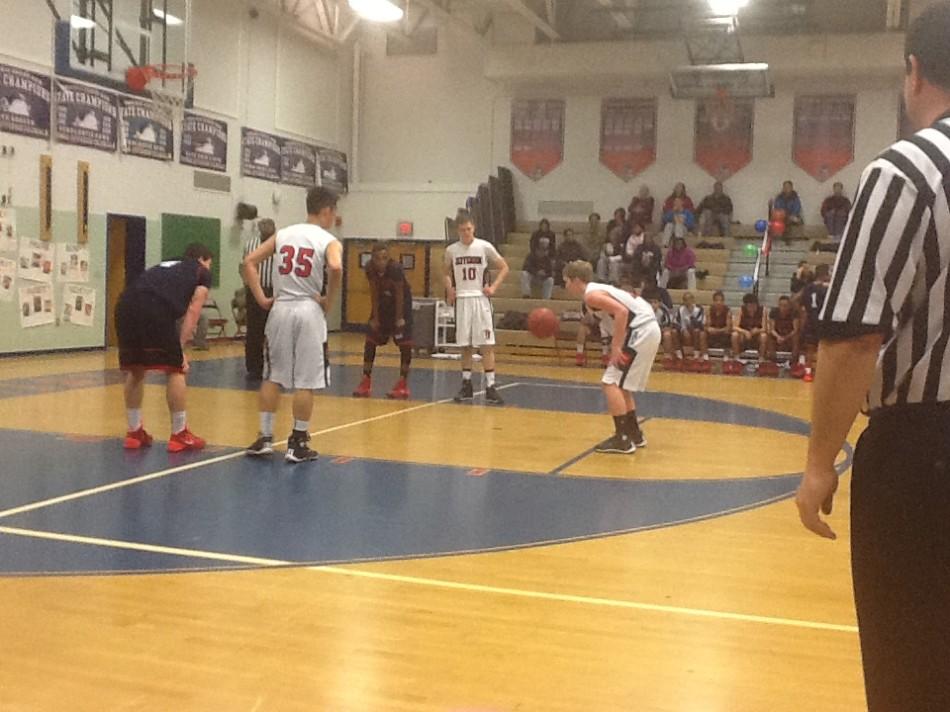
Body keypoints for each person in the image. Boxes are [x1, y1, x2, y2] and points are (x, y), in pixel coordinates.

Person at [797, 7, 950, 709]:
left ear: (912, 72)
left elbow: (855, 334)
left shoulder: (905, 170)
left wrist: (818, 462)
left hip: (925, 457)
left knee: (911, 668)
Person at [244, 186, 343, 463]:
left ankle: (264, 437)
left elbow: (249, 262)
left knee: (272, 375)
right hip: (308, 310)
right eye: (334, 212)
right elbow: (336, 267)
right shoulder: (328, 239)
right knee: (306, 380)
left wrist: (261, 297)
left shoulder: (284, 233)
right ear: (326, 211)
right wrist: (328, 300)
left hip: (280, 308)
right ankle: (297, 441)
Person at [116, 243, 212, 452]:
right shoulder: (201, 272)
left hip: (125, 305)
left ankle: (134, 432)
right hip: (154, 308)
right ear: (203, 259)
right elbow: (194, 310)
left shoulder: (165, 265)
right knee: (175, 370)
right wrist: (180, 349)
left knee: (136, 368)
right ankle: (179, 434)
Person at [564, 260, 660, 454]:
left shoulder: (591, 295)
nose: (564, 285)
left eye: (566, 281)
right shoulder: (599, 290)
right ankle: (634, 433)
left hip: (639, 331)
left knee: (610, 383)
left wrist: (616, 347)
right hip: (647, 330)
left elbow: (622, 312)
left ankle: (622, 439)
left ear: (575, 280)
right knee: (622, 385)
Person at [444, 210, 510, 405]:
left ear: (474, 228)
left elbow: (504, 267)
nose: (466, 233)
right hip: (462, 300)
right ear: (458, 230)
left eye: (469, 229)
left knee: (486, 345)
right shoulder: (451, 250)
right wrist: (450, 289)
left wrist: (494, 287)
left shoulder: (484, 246)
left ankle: (490, 386)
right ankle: (466, 385)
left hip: (481, 299)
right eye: (463, 230)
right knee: (465, 345)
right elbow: (445, 271)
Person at [352, 242, 413, 400]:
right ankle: (366, 379)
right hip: (383, 304)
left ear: (389, 258)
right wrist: (376, 318)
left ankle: (403, 382)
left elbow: (400, 294)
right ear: (372, 259)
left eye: (385, 258)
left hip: (401, 305)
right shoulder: (369, 268)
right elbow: (374, 291)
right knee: (371, 339)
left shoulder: (395, 269)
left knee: (405, 343)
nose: (381, 262)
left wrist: (399, 318)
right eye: (378, 258)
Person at [240, 218, 276, 380]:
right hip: (254, 290)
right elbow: (244, 266)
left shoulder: (281, 244)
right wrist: (248, 284)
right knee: (254, 330)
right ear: (260, 231)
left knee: (276, 331)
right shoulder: (251, 244)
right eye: (264, 232)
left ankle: (276, 365)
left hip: (274, 290)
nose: (267, 234)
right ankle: (254, 367)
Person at [797, 263, 830, 382]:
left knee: (809, 349)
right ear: (825, 274)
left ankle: (808, 373)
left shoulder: (808, 288)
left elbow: (797, 301)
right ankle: (823, 374)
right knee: (824, 348)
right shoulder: (827, 288)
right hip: (823, 321)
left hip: (810, 320)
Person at [644, 286, 681, 368]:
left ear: (659, 303)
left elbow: (667, 325)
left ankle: (668, 356)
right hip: (649, 332)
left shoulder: (664, 311)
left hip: (660, 332)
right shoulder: (644, 311)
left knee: (667, 334)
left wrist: (659, 329)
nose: (653, 305)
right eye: (651, 302)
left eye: (655, 302)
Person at [765, 295, 801, 368]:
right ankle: (772, 361)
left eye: (785, 306)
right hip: (777, 335)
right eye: (781, 305)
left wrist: (785, 337)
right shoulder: (774, 311)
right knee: (768, 335)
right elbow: (772, 329)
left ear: (789, 306)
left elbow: (795, 329)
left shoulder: (794, 312)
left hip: (789, 335)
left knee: (796, 337)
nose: (783, 308)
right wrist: (778, 337)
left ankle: (793, 362)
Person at [678, 291, 709, 371]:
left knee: (697, 331)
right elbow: (679, 322)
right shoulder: (681, 309)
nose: (687, 302)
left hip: (697, 331)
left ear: (692, 300)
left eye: (689, 299)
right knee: (674, 332)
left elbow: (701, 324)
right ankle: (679, 357)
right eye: (685, 300)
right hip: (685, 331)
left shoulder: (699, 309)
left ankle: (696, 355)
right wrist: (684, 330)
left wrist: (691, 318)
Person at [731, 293, 766, 363]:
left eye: (754, 306)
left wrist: (757, 330)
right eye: (749, 306)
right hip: (744, 335)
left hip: (756, 335)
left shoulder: (763, 310)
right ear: (746, 306)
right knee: (734, 335)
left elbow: (765, 328)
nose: (752, 308)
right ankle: (736, 357)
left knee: (764, 336)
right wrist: (744, 331)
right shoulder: (741, 310)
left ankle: (761, 358)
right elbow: (734, 327)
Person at [705, 290, 734, 367]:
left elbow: (728, 327)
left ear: (723, 301)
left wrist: (718, 330)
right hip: (713, 332)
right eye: (716, 300)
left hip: (723, 331)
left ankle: (726, 354)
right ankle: (704, 354)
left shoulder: (728, 311)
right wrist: (709, 329)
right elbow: (707, 325)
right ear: (713, 301)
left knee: (728, 332)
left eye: (721, 300)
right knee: (702, 333)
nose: (718, 302)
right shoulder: (709, 310)